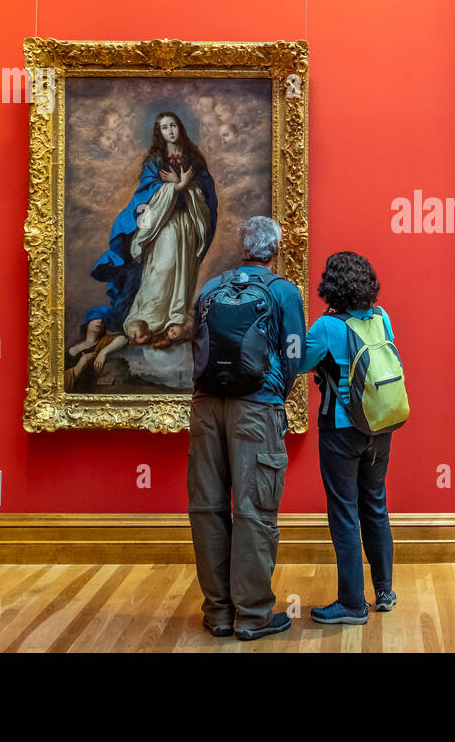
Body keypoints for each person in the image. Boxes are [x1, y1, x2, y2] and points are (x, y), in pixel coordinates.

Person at [187, 216, 305, 641]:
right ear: (275, 250)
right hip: (256, 410)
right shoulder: (282, 291)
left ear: (242, 247)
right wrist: (277, 389)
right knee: (254, 509)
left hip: (204, 408)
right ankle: (253, 615)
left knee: (207, 508)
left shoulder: (211, 288)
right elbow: (294, 352)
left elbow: (196, 343)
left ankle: (218, 612)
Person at [297, 252, 398, 625]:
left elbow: (300, 364)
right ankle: (384, 591)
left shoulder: (327, 327)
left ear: (331, 287)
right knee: (375, 505)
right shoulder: (382, 317)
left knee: (344, 512)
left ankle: (352, 604)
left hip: (341, 431)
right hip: (380, 427)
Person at [80, 110, 218, 380]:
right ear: (159, 133)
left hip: (188, 222)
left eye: (173, 126)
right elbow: (148, 193)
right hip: (163, 226)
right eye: (165, 127)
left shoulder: (194, 159)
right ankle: (149, 319)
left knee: (183, 274)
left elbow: (205, 194)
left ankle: (174, 321)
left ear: (180, 128)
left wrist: (187, 185)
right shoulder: (155, 162)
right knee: (161, 270)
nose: (170, 131)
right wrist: (176, 187)